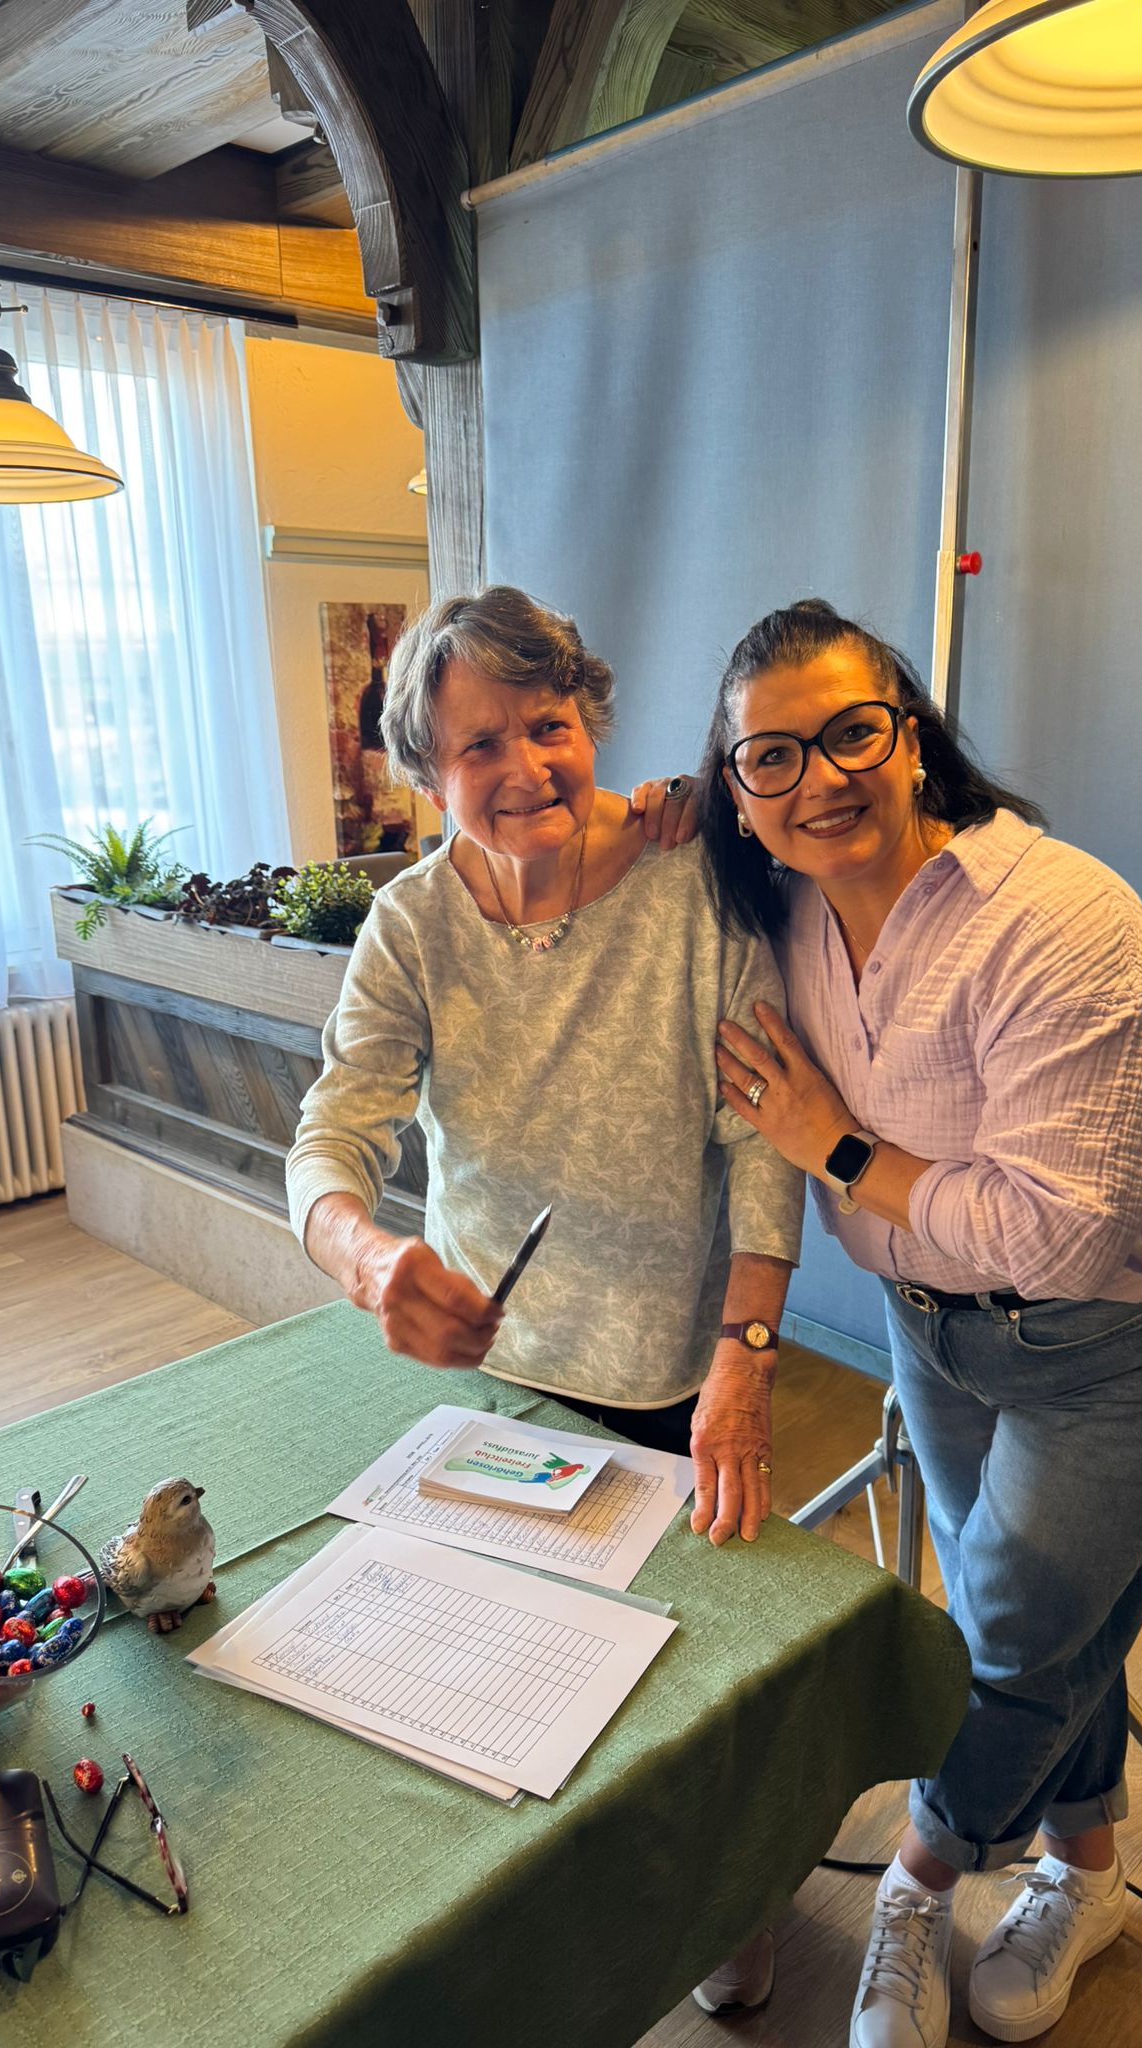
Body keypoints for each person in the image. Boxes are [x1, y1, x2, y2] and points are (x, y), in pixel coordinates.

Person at [687, 599, 1142, 2045]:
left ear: (913, 735)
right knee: (1055, 1628)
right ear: (736, 793)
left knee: (1001, 1643)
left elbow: (1060, 1238)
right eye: (772, 756)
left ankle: (914, 1885)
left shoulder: (1059, 919)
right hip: (929, 1324)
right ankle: (1088, 1871)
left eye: (852, 732)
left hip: (1117, 1338)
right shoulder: (781, 909)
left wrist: (836, 1146)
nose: (819, 777)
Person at [286, 585, 805, 1552]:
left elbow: (763, 1140)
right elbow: (331, 1134)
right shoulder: (411, 924)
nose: (526, 768)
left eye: (548, 727)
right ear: (430, 780)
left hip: (666, 1377)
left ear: (588, 725)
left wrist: (748, 1357)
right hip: (479, 1368)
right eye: (480, 745)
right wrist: (368, 1261)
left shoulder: (695, 885)